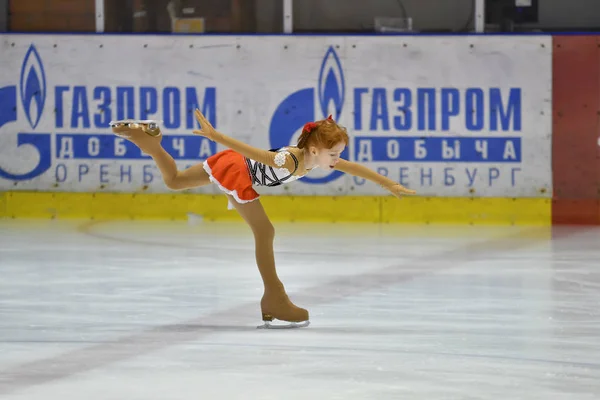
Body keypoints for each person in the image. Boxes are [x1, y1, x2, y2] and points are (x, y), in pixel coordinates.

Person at [110, 109, 415, 328]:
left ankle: (147, 140)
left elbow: (352, 167)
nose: (336, 161)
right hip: (238, 171)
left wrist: (387, 184)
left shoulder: (315, 158)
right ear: (314, 149)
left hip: (232, 166)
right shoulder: (288, 160)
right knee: (264, 231)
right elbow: (254, 153)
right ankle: (274, 297)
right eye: (333, 154)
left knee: (175, 180)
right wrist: (217, 136)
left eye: (337, 154)